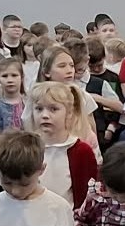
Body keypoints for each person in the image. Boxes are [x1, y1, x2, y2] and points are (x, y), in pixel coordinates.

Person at [31, 81, 104, 210]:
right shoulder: (27, 147)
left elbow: (86, 196)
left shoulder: (81, 151)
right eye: (39, 109)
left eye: (53, 109)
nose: (45, 115)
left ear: (69, 113)